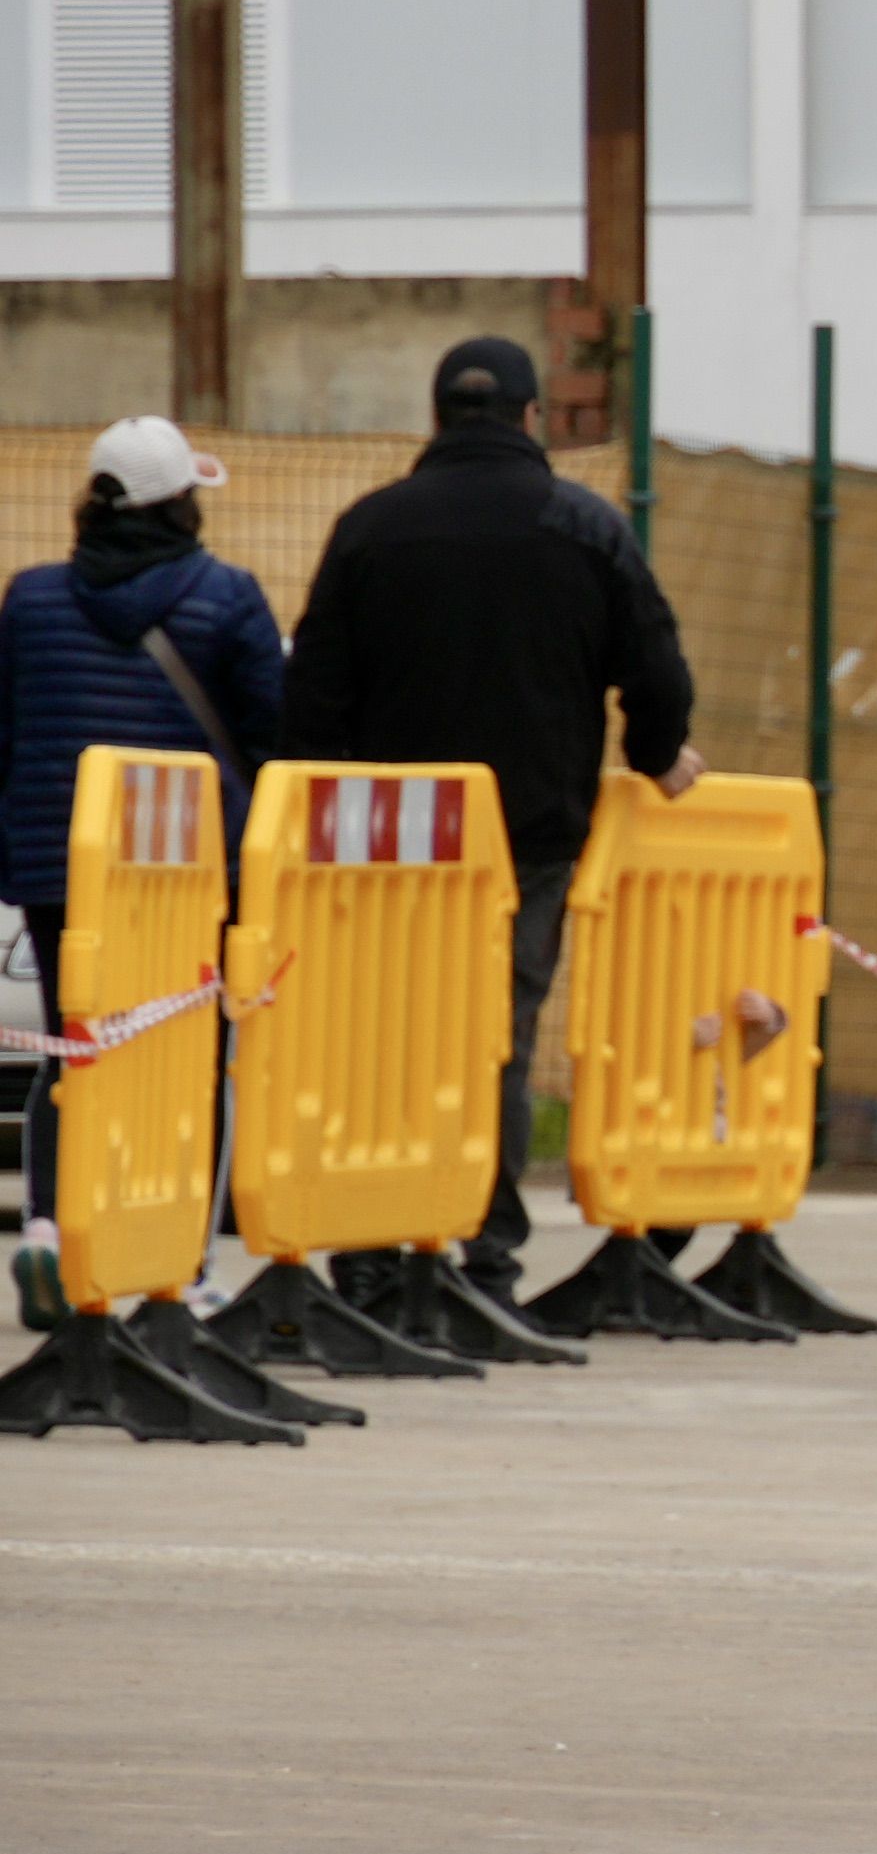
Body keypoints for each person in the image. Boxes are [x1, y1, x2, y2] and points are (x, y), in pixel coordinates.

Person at [277, 331, 700, 1299]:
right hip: (531, 836)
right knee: (492, 1040)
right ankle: (483, 1249)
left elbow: (313, 701)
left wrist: (323, 802)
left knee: (383, 1037)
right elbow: (658, 671)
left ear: (437, 418)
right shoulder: (585, 526)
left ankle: (373, 1245)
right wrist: (649, 755)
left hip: (387, 844)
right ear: (530, 418)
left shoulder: (371, 528)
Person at [2, 418, 282, 1282]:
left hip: (60, 866)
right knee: (184, 1059)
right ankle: (180, 1261)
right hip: (185, 876)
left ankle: (50, 1230)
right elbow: (273, 738)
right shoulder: (228, 598)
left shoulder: (30, 598)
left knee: (72, 1046)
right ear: (180, 507)